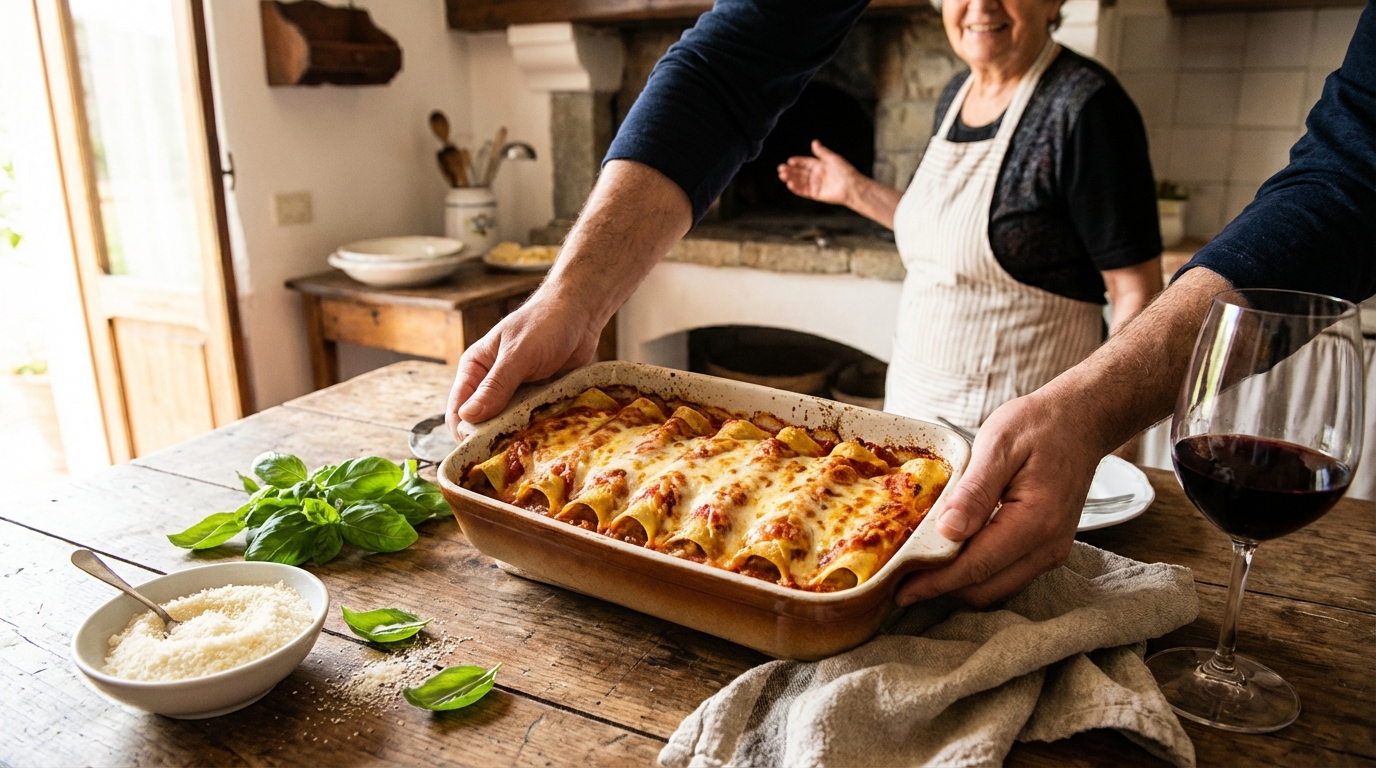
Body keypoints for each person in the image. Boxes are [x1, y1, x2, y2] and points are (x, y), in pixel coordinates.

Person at [450, 0, 1376, 606]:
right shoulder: (952, 96)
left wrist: (1105, 430)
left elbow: (1350, 171)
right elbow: (731, 62)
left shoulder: (1086, 106)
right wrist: (573, 301)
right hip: (910, 440)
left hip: (1034, 446)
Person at [773, 6, 1162, 427]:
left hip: (1021, 431)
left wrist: (1114, 438)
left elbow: (1135, 291)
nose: (981, 6)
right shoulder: (957, 93)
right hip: (913, 406)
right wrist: (855, 190)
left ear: (1052, 3)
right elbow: (948, 232)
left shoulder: (1088, 108)